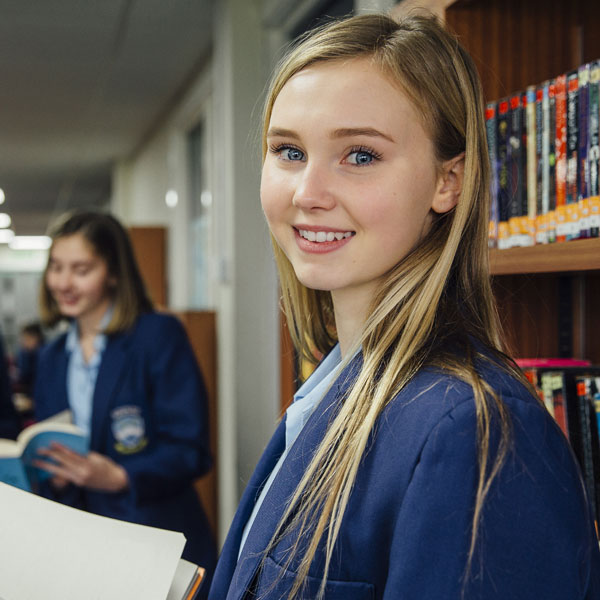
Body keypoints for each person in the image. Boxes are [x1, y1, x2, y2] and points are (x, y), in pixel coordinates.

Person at [209, 13, 600, 600]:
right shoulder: (335, 386)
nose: (307, 193)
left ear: (449, 181)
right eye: (288, 151)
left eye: (360, 156)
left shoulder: (472, 432)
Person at [33, 210, 217, 591]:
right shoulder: (51, 357)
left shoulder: (157, 335)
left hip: (151, 537)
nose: (63, 283)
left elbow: (190, 449)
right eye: (56, 268)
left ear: (113, 273)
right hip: (80, 545)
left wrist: (118, 476)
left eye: (81, 270)